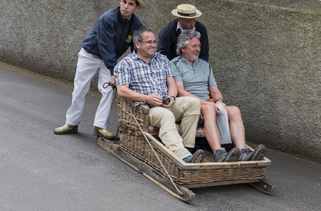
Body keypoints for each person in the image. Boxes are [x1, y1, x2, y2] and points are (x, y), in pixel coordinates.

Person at [54, 0, 145, 139]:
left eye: (130, 4)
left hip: (108, 60)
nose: (125, 6)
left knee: (109, 90)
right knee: (80, 89)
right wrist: (114, 72)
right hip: (90, 55)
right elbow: (106, 46)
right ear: (120, 1)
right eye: (124, 2)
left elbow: (136, 48)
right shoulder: (107, 18)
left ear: (136, 8)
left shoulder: (136, 24)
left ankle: (100, 127)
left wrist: (138, 68)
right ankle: (71, 123)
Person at [170, 30, 266, 162]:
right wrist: (208, 104)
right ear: (183, 48)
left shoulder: (205, 65)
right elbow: (181, 92)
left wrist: (220, 101)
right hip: (190, 108)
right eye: (194, 46)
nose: (198, 49)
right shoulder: (174, 64)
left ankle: (243, 152)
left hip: (209, 105)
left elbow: (214, 91)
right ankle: (219, 153)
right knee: (209, 109)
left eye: (199, 46)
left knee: (234, 110)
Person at [114, 27, 204, 163]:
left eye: (154, 41)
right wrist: (147, 98)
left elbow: (172, 84)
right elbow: (122, 91)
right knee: (165, 115)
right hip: (145, 109)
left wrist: (172, 97)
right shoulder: (126, 63)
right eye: (149, 42)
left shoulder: (162, 59)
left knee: (193, 103)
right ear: (137, 44)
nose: (153, 45)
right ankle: (182, 155)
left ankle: (188, 148)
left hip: (165, 103)